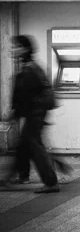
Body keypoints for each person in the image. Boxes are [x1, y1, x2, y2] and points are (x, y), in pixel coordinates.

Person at [0, 35, 60, 193]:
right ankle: (16, 177)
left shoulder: (30, 69)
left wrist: (14, 113)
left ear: (25, 49)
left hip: (35, 114)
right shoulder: (29, 66)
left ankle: (51, 182)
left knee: (35, 148)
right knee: (22, 146)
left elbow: (26, 96)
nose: (13, 50)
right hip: (35, 114)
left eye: (16, 47)